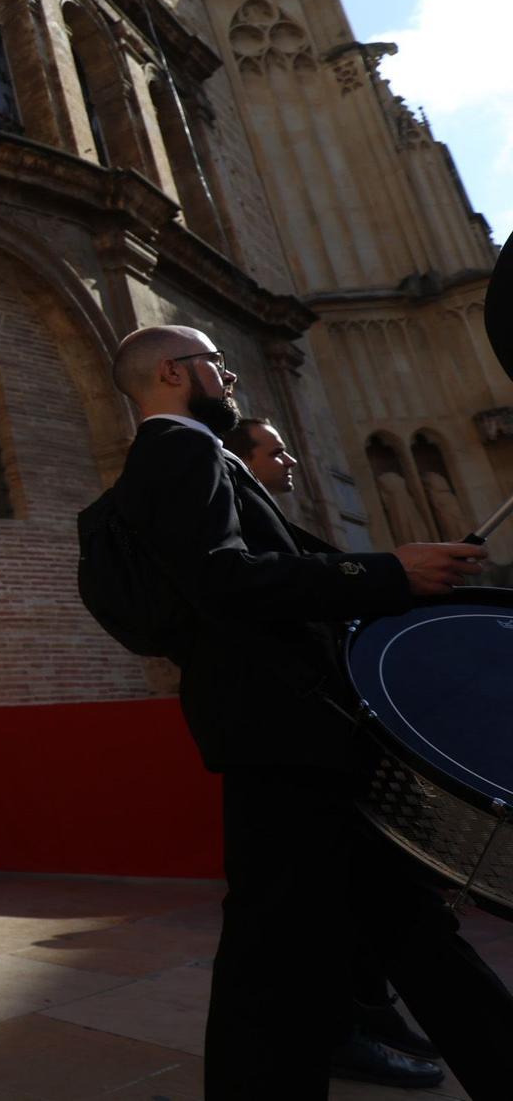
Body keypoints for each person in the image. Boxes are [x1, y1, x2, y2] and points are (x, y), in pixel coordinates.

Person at [108, 325, 513, 1099]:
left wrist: (391, 577)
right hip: (283, 734)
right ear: (171, 371)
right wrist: (387, 569)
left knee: (404, 926)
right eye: (216, 366)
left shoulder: (189, 456)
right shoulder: (179, 451)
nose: (227, 377)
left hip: (296, 731)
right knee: (277, 954)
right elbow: (226, 581)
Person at [219, 415, 445, 1086]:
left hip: (331, 726)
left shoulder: (274, 528)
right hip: (290, 732)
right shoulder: (236, 526)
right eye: (274, 449)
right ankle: (341, 1027)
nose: (289, 458)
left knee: (363, 886)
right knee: (300, 902)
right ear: (239, 462)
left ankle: (365, 1010)